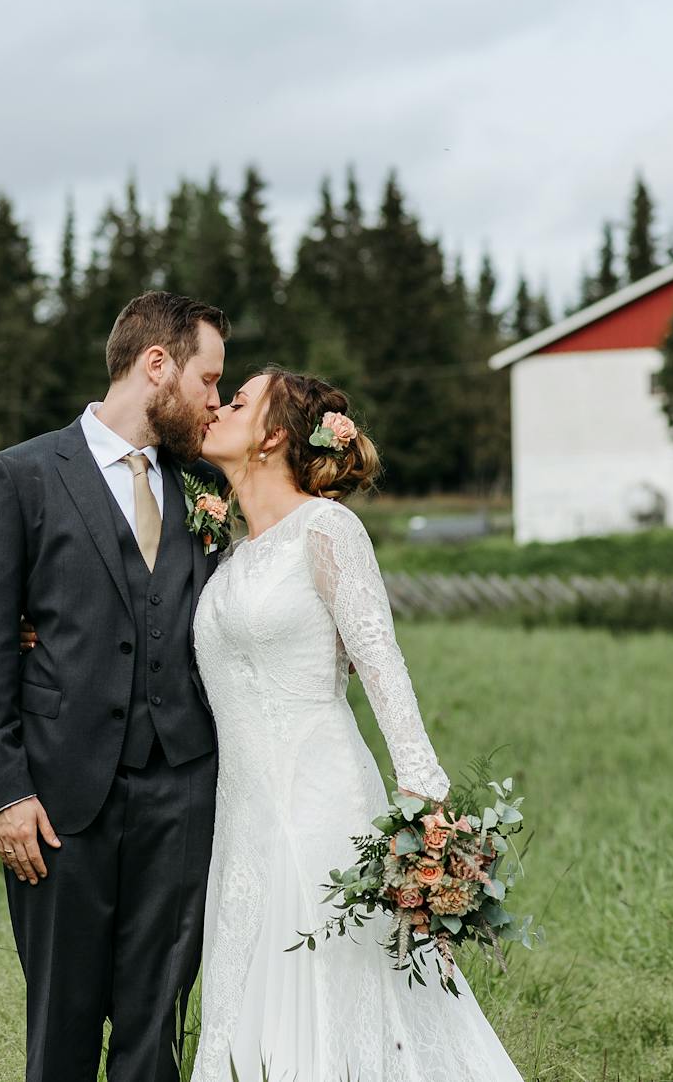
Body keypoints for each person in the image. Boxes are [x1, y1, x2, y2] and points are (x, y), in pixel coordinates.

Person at [188, 367, 524, 1081]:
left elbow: (381, 664)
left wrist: (427, 810)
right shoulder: (225, 552)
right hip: (242, 816)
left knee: (332, 987)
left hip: (322, 802)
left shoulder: (328, 529)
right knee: (246, 1002)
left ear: (274, 434)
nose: (217, 407)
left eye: (238, 401)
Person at [0, 290, 229, 1082]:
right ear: (156, 366)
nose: (215, 400)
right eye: (208, 380)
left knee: (156, 1033)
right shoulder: (20, 477)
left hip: (183, 792)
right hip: (56, 804)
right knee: (63, 1034)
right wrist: (6, 793)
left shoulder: (206, 484)